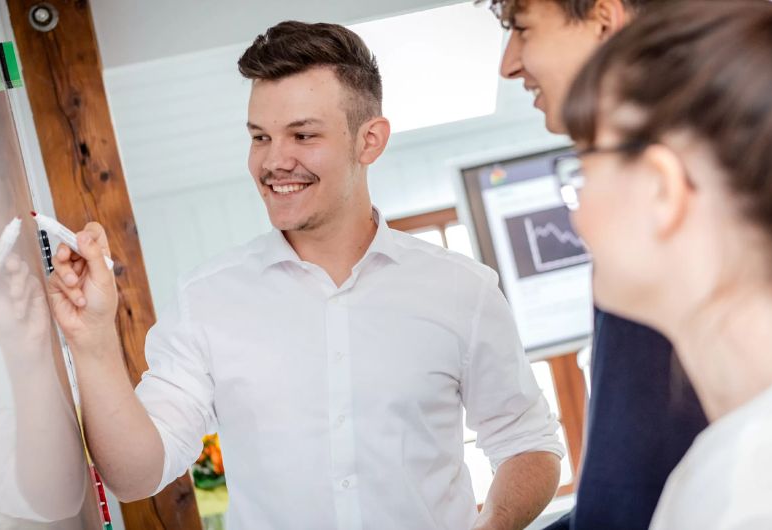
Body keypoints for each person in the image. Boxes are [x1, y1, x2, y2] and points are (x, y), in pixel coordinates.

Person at [46, 21, 565, 530]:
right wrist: (92, 339)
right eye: (260, 137)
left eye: (303, 134)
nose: (274, 161)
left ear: (370, 141)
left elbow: (527, 442)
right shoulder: (208, 297)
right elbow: (135, 475)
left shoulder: (462, 290)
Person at [558, 0, 772, 527]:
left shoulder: (755, 493)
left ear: (662, 188)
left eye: (585, 163)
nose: (578, 214)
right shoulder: (740, 460)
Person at [485, 1, 709, 528]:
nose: (509, 63)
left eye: (520, 29)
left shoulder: (684, 186)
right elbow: (634, 485)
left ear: (603, 20)